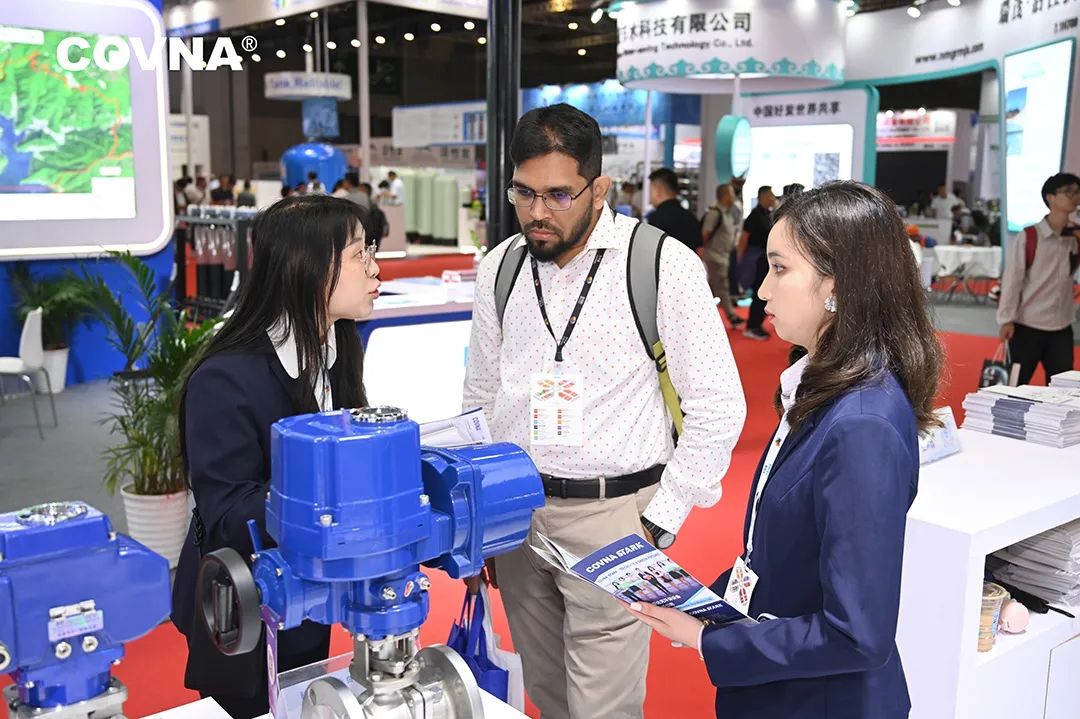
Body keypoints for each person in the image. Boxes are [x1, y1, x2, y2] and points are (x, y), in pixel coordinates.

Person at [462, 103, 746, 719]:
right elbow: (480, 396)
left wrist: (658, 522)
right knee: (547, 696)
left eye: (558, 195)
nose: (538, 212)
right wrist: (482, 515)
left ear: (599, 189)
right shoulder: (500, 269)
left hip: (616, 516)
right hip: (518, 516)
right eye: (523, 192)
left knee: (604, 709)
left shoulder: (660, 264)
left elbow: (718, 404)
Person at [627, 181, 943, 719]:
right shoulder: (818, 385)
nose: (762, 290)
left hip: (822, 702)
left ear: (836, 284)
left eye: (779, 269)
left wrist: (709, 640)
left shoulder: (861, 424)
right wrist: (707, 604)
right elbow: (781, 550)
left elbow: (856, 634)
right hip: (783, 686)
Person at [171, 195, 381, 719]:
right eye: (359, 254)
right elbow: (227, 514)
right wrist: (333, 485)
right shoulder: (225, 378)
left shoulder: (340, 347)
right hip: (243, 608)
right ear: (308, 266)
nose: (375, 268)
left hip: (311, 593)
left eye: (371, 250)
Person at [997, 172, 1080, 385]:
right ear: (1050, 197)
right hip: (1028, 324)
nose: (1075, 196)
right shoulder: (1030, 236)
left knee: (1062, 391)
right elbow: (1012, 280)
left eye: (1077, 191)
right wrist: (1006, 319)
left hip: (1062, 327)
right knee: (1013, 387)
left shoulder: (1075, 236)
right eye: (1068, 191)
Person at [738, 186, 778, 340]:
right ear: (763, 196)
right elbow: (744, 238)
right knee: (759, 293)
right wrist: (741, 260)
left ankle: (756, 324)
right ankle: (752, 326)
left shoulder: (768, 214)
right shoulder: (754, 215)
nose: (773, 198)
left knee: (764, 294)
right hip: (756, 259)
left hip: (764, 259)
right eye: (771, 195)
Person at [701, 183, 743, 328]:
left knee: (712, 287)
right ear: (724, 195)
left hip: (723, 255)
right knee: (722, 286)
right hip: (715, 256)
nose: (733, 196)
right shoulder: (715, 213)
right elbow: (705, 233)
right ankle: (731, 315)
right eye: (731, 193)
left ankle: (702, 315)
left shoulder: (728, 212)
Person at [646, 167, 702, 251]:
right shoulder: (691, 218)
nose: (649, 198)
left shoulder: (656, 219)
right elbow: (700, 251)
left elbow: (649, 250)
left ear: (658, 190)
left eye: (650, 190)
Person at [358, 182, 389, 248]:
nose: (359, 192)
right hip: (373, 233)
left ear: (366, 190)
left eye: (361, 189)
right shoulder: (372, 205)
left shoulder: (371, 205)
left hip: (370, 233)